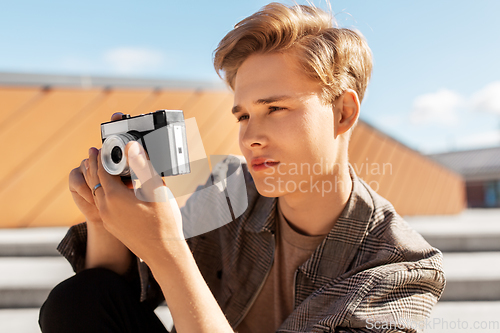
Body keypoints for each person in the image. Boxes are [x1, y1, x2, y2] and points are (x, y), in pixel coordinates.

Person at [39, 2, 445, 332]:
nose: (251, 136)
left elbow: (169, 263)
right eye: (243, 116)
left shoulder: (400, 268)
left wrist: (169, 254)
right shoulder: (228, 189)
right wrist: (103, 218)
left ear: (342, 112)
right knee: (76, 302)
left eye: (275, 108)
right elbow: (103, 303)